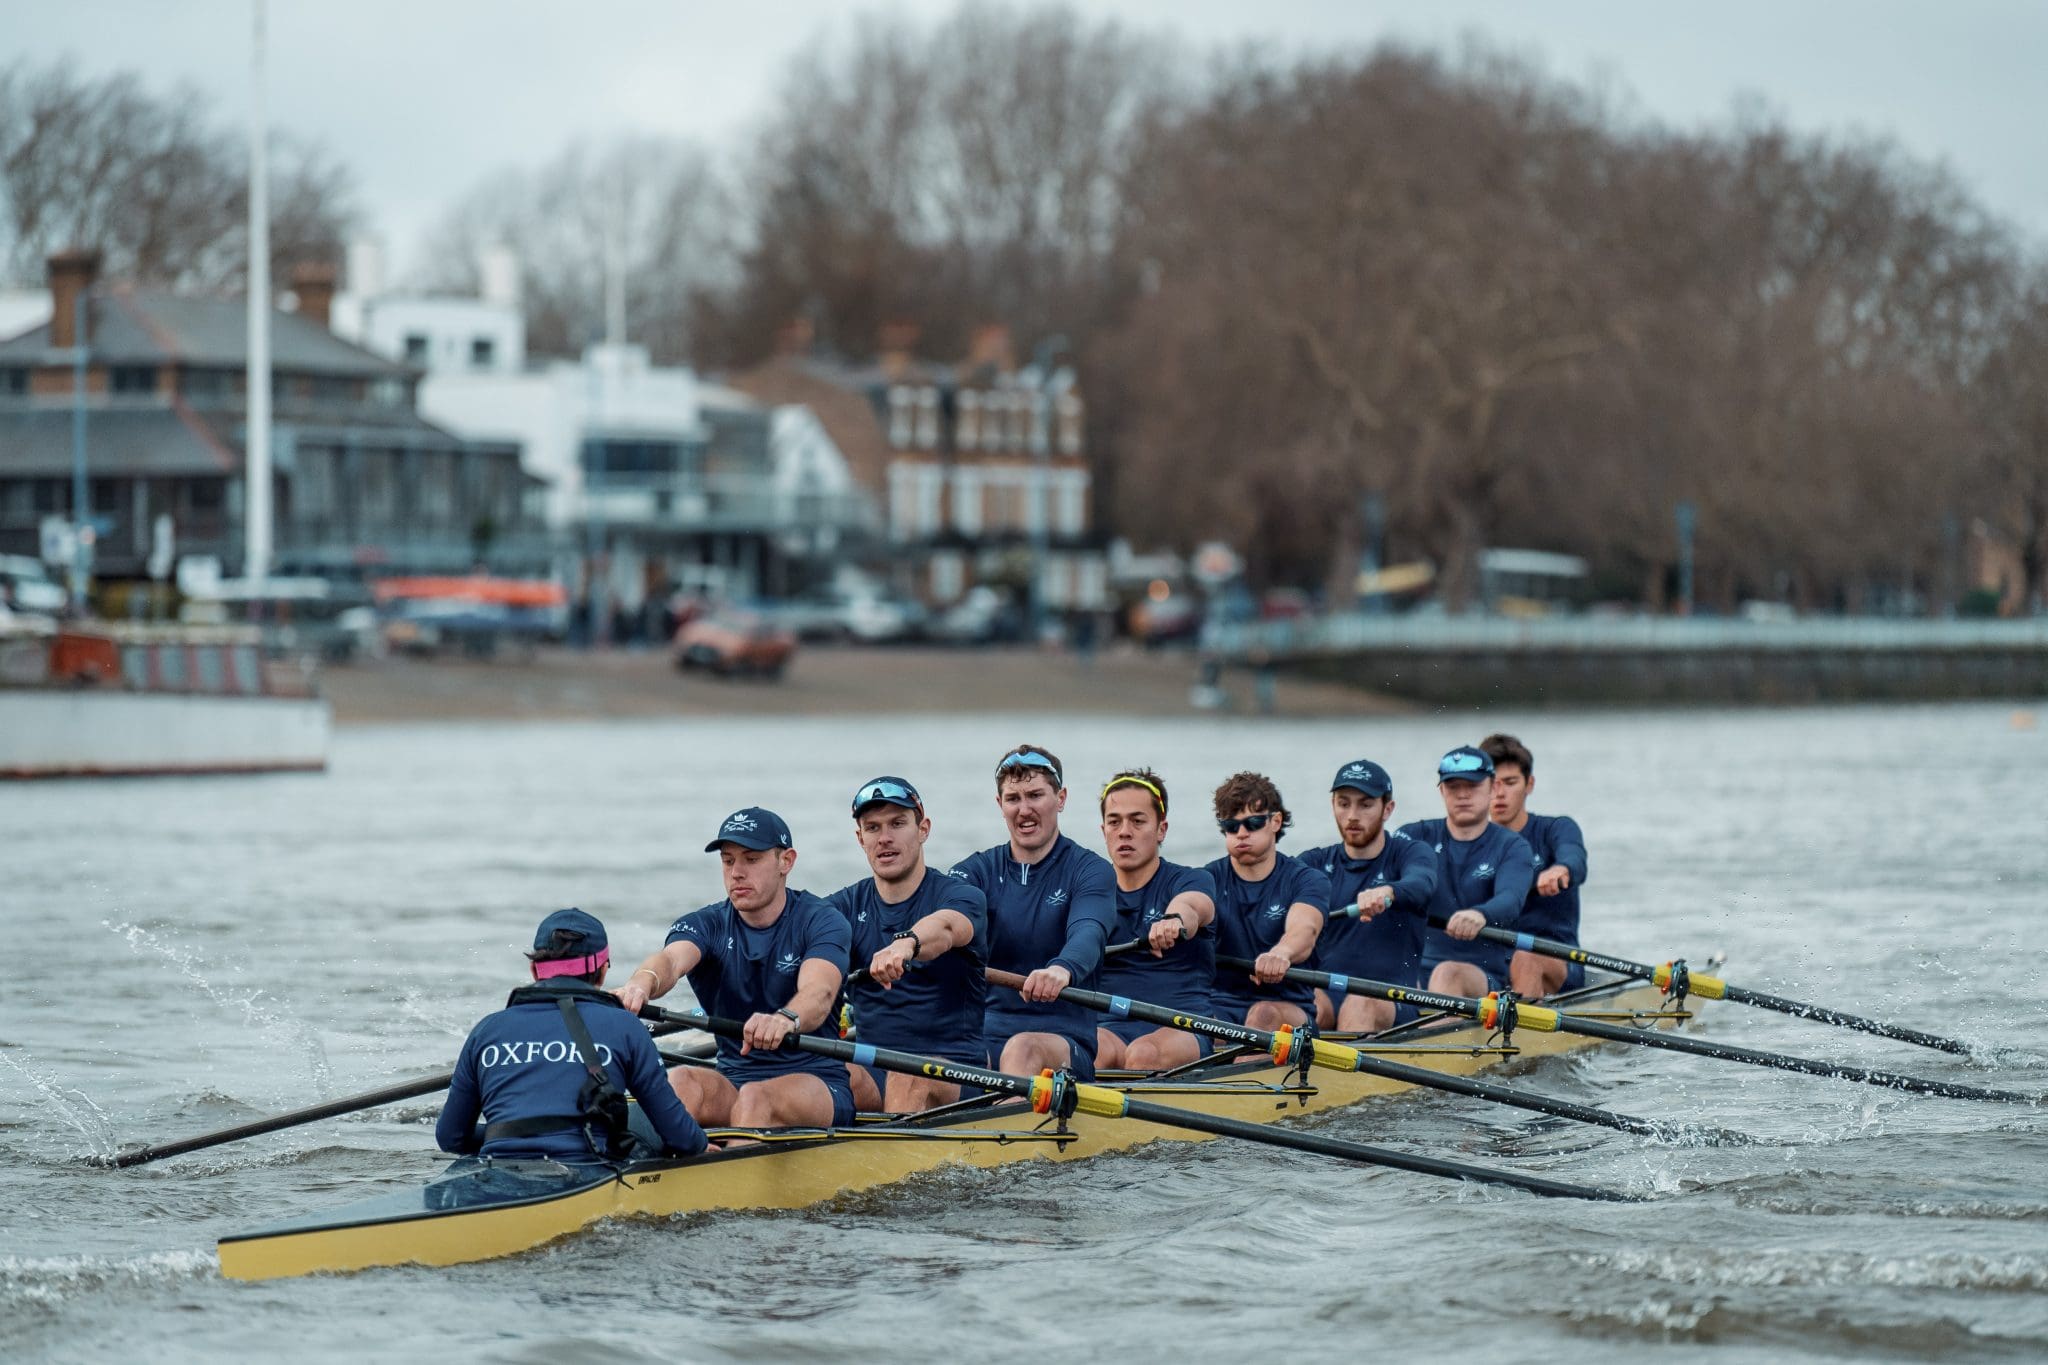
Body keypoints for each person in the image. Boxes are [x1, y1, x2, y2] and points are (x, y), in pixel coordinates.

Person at [614, 808, 856, 1129]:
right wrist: (640, 985)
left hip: (817, 1082)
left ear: (786, 861)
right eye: (728, 861)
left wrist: (786, 1018)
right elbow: (669, 961)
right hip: (734, 1080)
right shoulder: (706, 924)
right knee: (681, 1080)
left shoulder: (821, 920)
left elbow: (819, 991)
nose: (737, 873)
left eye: (751, 859)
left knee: (756, 1098)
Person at [436, 908, 707, 1161]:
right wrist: (702, 1146)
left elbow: (450, 1137)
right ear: (602, 972)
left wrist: (509, 1135)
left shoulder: (486, 1030)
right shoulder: (626, 1026)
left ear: (534, 970)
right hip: (588, 1174)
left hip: (496, 1171)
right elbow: (682, 1139)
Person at [952, 744, 1118, 1081]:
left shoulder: (1090, 870)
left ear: (1061, 798)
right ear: (1000, 804)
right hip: (984, 1034)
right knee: (931, 1058)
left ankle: (1006, 1112)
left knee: (1022, 1049)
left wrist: (1062, 968)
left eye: (1035, 795)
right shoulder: (975, 872)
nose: (1024, 810)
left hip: (1063, 1039)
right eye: (1013, 799)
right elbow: (945, 919)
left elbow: (1089, 930)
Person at [827, 775, 989, 1112]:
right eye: (873, 828)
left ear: (923, 829)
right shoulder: (841, 907)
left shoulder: (962, 897)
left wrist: (906, 944)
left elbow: (946, 927)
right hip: (873, 1066)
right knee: (818, 1071)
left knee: (907, 1077)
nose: (884, 838)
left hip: (957, 1072)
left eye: (897, 824)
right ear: (860, 838)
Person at [1300, 759, 1438, 1033]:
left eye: (1365, 805)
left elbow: (1422, 882)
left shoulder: (1410, 853)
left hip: (1393, 996)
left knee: (1359, 1005)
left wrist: (1389, 891)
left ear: (1388, 809)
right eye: (1343, 804)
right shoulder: (1313, 863)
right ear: (1333, 805)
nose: (1352, 815)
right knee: (1292, 1008)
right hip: (1327, 992)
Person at [1093, 768, 1217, 1071]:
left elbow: (1193, 906)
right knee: (1089, 1053)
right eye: (1115, 822)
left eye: (1137, 821)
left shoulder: (1191, 880)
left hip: (1182, 1025)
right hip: (1110, 1026)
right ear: (1104, 830)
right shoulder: (1090, 894)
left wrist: (1174, 920)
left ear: (1161, 829)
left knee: (1143, 1054)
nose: (1124, 831)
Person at [1400, 746, 1535, 998]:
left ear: (1493, 787)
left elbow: (1511, 899)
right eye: (1453, 787)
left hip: (1482, 976)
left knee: (1447, 974)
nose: (1462, 795)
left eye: (1472, 786)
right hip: (1415, 972)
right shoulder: (1412, 836)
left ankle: (1438, 1023)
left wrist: (1481, 914)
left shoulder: (1512, 846)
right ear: (1442, 791)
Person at [1204, 771, 1331, 1029]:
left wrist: (1281, 953)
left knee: (1262, 1015)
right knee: (1198, 1024)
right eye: (1231, 826)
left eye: (1252, 823)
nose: (1241, 833)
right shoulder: (1205, 880)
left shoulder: (1306, 880)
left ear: (1275, 821)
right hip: (1220, 1006)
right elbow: (1188, 909)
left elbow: (1304, 930)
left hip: (1289, 1008)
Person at [1480, 733, 1589, 998]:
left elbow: (1574, 857)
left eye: (1510, 783)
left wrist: (1561, 869)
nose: (1500, 794)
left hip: (1555, 958)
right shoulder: (1468, 844)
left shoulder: (1556, 829)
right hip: (1492, 961)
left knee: (1525, 957)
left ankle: (1523, 1023)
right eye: (1492, 784)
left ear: (1529, 784)